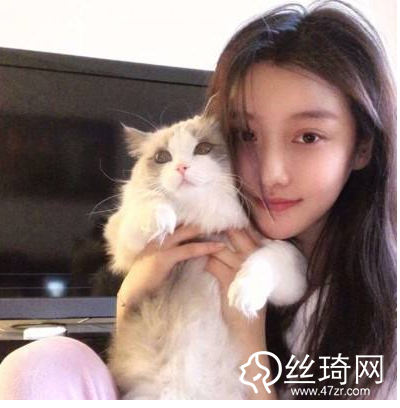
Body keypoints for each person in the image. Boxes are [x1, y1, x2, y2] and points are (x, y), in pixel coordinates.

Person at [0, 0, 396, 400]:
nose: (271, 174)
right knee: (43, 364)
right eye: (247, 135)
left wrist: (250, 345)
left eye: (308, 136)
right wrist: (131, 302)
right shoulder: (217, 227)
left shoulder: (382, 322)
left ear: (362, 145)